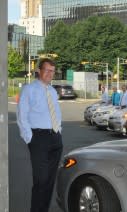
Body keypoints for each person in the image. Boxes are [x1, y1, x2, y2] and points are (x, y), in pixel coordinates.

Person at [16, 58, 63, 212]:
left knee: (49, 181)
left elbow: (56, 112)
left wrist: (59, 131)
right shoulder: (29, 89)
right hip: (39, 138)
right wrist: (30, 139)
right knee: (41, 180)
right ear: (39, 71)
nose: (50, 74)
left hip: (55, 138)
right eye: (47, 70)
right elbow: (21, 116)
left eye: (53, 71)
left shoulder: (52, 91)